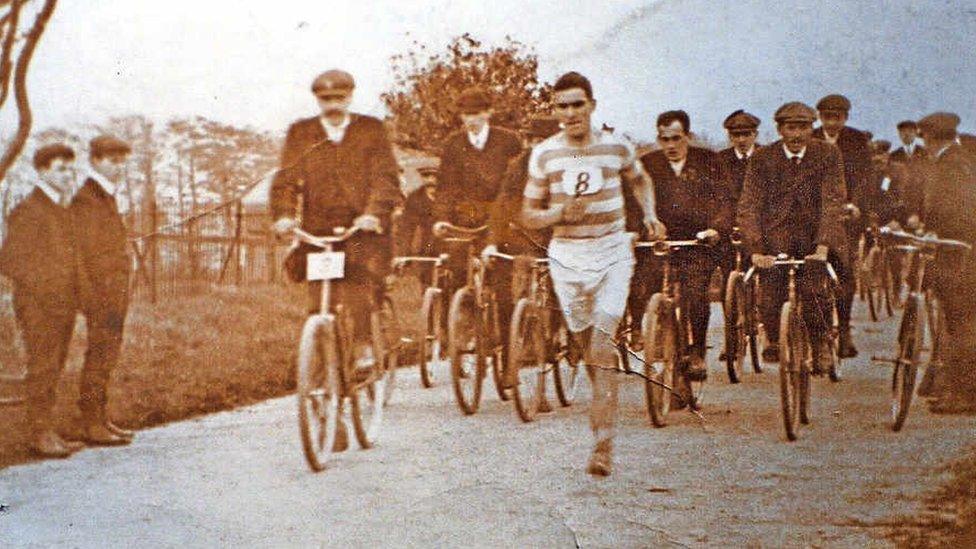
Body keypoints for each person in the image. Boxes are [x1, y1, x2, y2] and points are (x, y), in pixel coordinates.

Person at [520, 71, 664, 477]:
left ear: (592, 106)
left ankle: (602, 445)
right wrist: (556, 213)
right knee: (586, 349)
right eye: (562, 106)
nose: (570, 113)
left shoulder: (616, 146)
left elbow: (641, 179)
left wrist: (650, 215)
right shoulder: (545, 154)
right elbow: (527, 214)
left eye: (577, 104)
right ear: (554, 111)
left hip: (612, 252)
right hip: (567, 256)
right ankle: (603, 410)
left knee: (601, 348)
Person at [269, 70, 402, 447]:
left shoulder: (371, 130)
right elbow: (285, 181)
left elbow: (386, 177)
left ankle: (362, 347)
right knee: (317, 309)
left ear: (350, 98)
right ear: (318, 101)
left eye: (339, 99)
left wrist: (374, 212)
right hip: (318, 233)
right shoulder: (301, 133)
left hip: (361, 231)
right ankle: (328, 406)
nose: (333, 106)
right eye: (325, 100)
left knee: (358, 288)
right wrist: (283, 216)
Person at [737, 102, 848, 371]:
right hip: (775, 238)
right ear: (779, 130)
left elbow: (833, 201)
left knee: (815, 291)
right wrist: (756, 250)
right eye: (791, 128)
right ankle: (774, 338)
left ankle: (821, 343)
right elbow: (749, 205)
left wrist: (823, 246)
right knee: (770, 294)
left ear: (812, 128)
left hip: (815, 236)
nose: (797, 135)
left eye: (804, 127)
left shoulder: (828, 154)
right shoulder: (763, 159)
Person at [0, 144, 88, 458]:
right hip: (38, 305)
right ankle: (39, 434)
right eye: (60, 169)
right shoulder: (28, 210)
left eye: (70, 168)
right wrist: (49, 289)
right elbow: (11, 260)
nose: (68, 175)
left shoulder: (61, 210)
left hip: (62, 304)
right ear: (41, 171)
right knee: (42, 367)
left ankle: (47, 429)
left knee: (55, 366)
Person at [635, 110, 732, 380]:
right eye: (664, 139)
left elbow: (725, 199)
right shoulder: (648, 164)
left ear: (687, 137)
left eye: (676, 138)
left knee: (695, 292)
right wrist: (639, 229)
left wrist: (715, 228)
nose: (670, 146)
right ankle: (649, 331)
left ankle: (697, 350)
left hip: (697, 241)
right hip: (659, 241)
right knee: (644, 280)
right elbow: (634, 202)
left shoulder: (708, 161)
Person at [66, 136, 136, 446]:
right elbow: (87, 252)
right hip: (100, 292)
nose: (118, 167)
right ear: (94, 161)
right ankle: (91, 422)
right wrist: (93, 294)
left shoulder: (106, 196)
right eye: (111, 161)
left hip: (114, 290)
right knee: (100, 353)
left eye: (122, 161)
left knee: (108, 353)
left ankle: (101, 418)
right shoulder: (87, 198)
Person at [915, 112, 976, 413]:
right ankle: (956, 390)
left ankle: (965, 396)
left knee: (961, 325)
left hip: (961, 255)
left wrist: (935, 231)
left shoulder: (953, 165)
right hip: (957, 252)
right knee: (956, 324)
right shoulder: (954, 160)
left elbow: (962, 211)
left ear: (930, 137)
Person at [813, 93, 874, 358]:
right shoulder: (810, 137)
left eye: (837, 117)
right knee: (815, 271)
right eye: (827, 117)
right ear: (820, 117)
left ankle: (845, 329)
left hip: (846, 216)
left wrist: (856, 204)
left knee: (844, 272)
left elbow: (865, 178)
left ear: (845, 118)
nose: (831, 123)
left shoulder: (857, 140)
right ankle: (822, 330)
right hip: (815, 215)